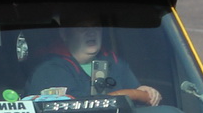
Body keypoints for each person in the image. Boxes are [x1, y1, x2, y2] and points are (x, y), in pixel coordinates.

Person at [24, 16, 162, 106]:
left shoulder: (115, 62)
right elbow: (76, 110)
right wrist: (130, 94)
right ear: (65, 34)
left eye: (96, 26)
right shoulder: (49, 69)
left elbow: (137, 99)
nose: (91, 32)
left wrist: (146, 92)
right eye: (82, 27)